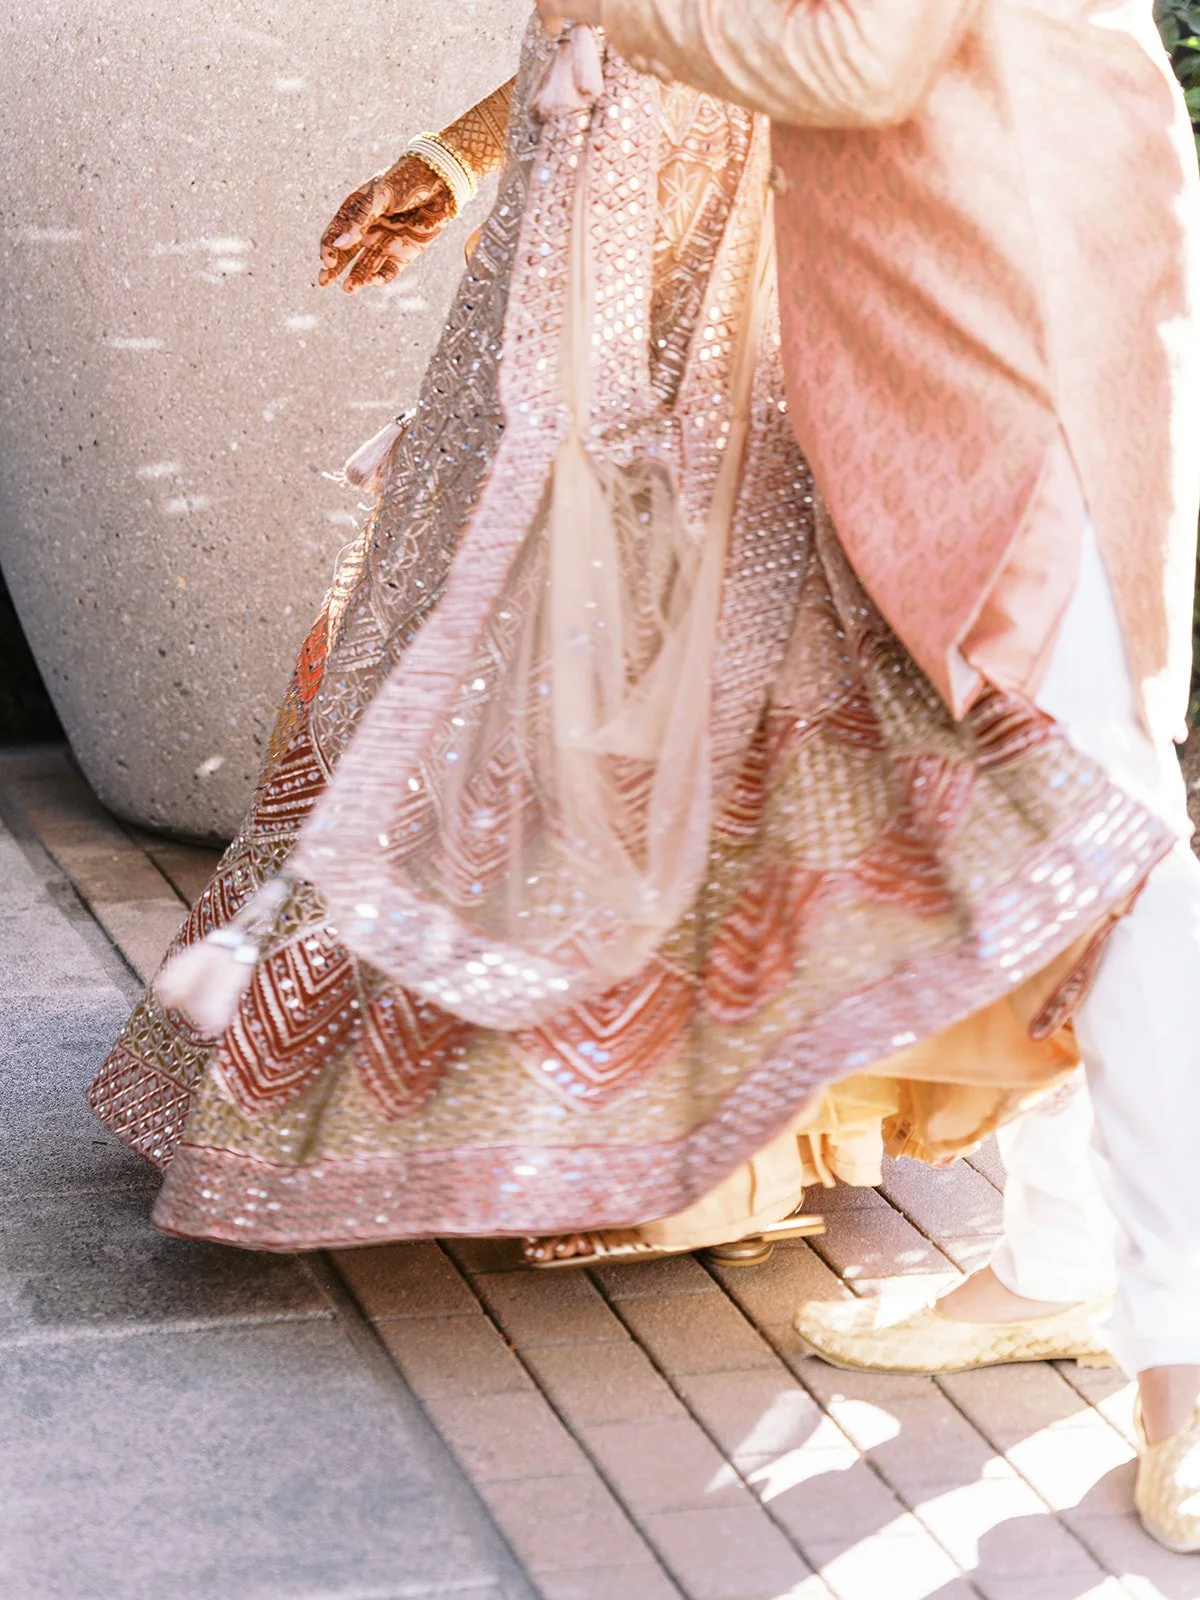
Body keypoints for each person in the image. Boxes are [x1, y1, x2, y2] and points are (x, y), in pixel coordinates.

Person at [97, 12, 1140, 1350]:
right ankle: (625, 1139)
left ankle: (1040, 1220)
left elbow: (819, 41)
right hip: (585, 260)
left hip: (723, 264)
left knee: (838, 684)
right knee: (554, 686)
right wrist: (466, 154)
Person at [536, 0, 1200, 1553]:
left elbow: (859, 53)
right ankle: (1053, 1261)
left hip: (1022, 293)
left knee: (1105, 822)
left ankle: (1190, 1368)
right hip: (947, 278)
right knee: (1036, 812)